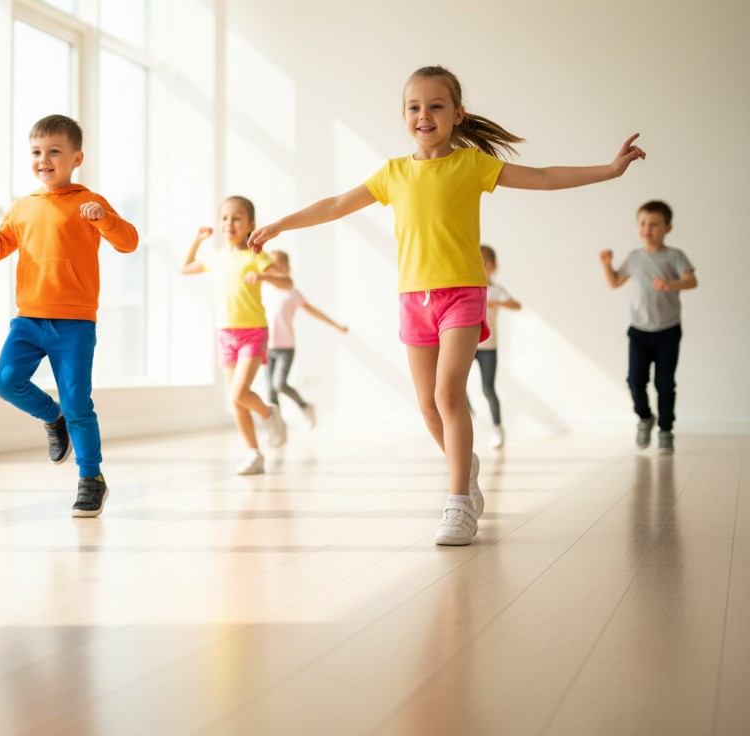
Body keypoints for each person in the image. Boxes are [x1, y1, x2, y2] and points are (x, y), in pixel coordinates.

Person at [250, 65, 645, 545]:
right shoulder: (392, 173)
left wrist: (609, 169)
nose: (424, 115)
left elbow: (541, 177)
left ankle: (458, 502)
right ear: (403, 115)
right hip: (413, 299)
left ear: (457, 114)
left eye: (436, 105)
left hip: (462, 294)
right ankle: (466, 466)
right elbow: (335, 205)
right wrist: (280, 225)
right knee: (427, 405)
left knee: (447, 395)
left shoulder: (472, 165)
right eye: (414, 107)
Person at [0, 114, 137, 518]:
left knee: (78, 402)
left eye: (54, 151)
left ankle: (92, 478)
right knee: (5, 380)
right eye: (37, 152)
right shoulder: (23, 207)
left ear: (76, 158)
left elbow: (128, 242)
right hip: (29, 319)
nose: (44, 159)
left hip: (74, 324)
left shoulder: (90, 202)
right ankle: (52, 418)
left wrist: (103, 219)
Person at [182, 196, 291, 475]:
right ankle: (254, 454)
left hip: (253, 331)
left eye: (237, 218)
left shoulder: (256, 254)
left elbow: (286, 281)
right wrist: (197, 240)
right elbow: (185, 268)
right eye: (225, 218)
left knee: (239, 392)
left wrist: (264, 277)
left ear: (251, 225)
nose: (229, 223)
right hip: (225, 333)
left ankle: (268, 414)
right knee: (236, 399)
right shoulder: (215, 255)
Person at [600, 200, 696, 455]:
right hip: (639, 331)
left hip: (668, 330)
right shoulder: (634, 257)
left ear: (668, 227)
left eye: (654, 224)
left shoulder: (674, 256)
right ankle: (645, 418)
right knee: (635, 380)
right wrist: (607, 264)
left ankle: (666, 430)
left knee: (664, 383)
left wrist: (670, 285)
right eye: (643, 223)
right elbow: (615, 282)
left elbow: (691, 280)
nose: (647, 228)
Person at [264, 250, 349, 430]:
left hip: (285, 346)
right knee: (270, 391)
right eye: (270, 265)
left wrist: (336, 325)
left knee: (279, 384)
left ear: (287, 268)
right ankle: (278, 428)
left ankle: (305, 406)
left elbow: (313, 311)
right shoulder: (264, 289)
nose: (273, 268)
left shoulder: (291, 293)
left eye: (278, 264)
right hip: (265, 346)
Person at [474, 244, 521, 450]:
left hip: (488, 347)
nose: (481, 265)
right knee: (452, 384)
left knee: (488, 389)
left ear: (493, 266)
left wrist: (498, 303)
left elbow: (516, 305)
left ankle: (498, 429)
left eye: (485, 262)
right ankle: (468, 410)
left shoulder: (495, 291)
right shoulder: (469, 288)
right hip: (466, 346)